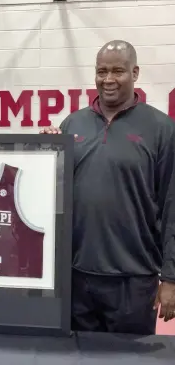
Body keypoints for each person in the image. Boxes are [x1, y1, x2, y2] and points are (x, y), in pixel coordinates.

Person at [40, 40, 175, 334]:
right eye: (102, 71)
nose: (108, 79)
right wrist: (45, 151)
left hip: (134, 280)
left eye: (118, 71)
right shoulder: (72, 125)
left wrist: (171, 278)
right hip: (76, 277)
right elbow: (52, 197)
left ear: (135, 73)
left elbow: (171, 206)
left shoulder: (162, 129)